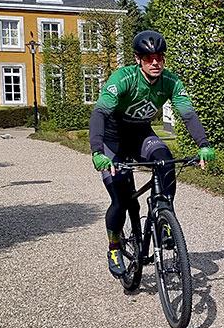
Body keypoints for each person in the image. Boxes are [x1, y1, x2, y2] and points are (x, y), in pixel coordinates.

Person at [89, 30, 215, 278]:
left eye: (159, 57)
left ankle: (165, 216)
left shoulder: (170, 82)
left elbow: (187, 114)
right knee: (121, 200)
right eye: (148, 58)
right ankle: (114, 247)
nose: (155, 62)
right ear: (138, 59)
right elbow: (99, 114)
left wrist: (203, 144)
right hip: (112, 142)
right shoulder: (123, 79)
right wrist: (96, 151)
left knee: (164, 158)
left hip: (140, 135)